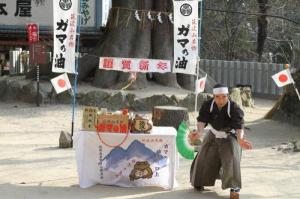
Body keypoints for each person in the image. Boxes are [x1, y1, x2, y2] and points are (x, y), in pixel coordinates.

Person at [189, 84, 252, 199]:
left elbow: (239, 125)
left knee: (231, 159)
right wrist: (199, 133)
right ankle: (199, 181)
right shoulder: (208, 105)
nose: (221, 100)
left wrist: (240, 139)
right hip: (213, 133)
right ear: (213, 96)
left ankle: (234, 188)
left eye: (224, 97)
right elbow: (202, 120)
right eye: (217, 97)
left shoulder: (234, 107)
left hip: (230, 135)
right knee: (204, 156)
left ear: (228, 96)